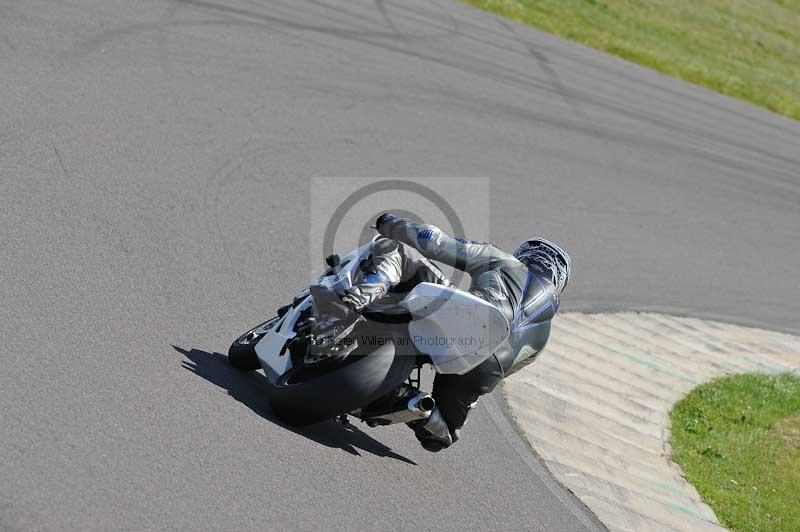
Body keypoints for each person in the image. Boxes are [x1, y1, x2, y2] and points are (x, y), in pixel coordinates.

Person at [328, 213, 571, 452]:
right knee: (442, 436)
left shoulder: (506, 260)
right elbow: (506, 371)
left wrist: (390, 223)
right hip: (486, 368)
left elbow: (435, 242)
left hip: (467, 320)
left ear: (527, 255)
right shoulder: (544, 336)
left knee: (398, 252)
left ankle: (371, 288)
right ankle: (415, 406)